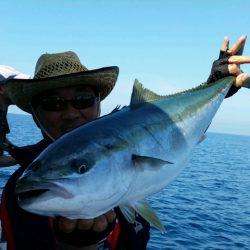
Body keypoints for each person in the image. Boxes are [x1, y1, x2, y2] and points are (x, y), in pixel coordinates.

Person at [1, 35, 250, 250]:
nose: (71, 113)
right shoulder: (26, 194)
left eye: (83, 99)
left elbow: (178, 131)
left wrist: (217, 85)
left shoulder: (123, 133)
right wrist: (78, 245)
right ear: (34, 114)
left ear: (98, 102)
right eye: (53, 104)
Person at [0, 65, 30, 167]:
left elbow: (1, 139)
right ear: (1, 89)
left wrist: (17, 150)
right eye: (15, 86)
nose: (21, 89)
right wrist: (30, 157)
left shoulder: (3, 108)